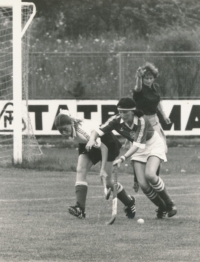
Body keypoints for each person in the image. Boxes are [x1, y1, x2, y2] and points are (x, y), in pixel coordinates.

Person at [86, 97, 177, 219]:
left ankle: (170, 204)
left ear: (133, 111)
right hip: (137, 149)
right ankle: (162, 207)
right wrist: (92, 140)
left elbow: (137, 145)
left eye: (125, 112)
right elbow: (97, 130)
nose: (122, 115)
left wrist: (122, 158)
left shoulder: (142, 120)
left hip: (153, 145)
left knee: (150, 174)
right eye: (120, 111)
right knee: (143, 185)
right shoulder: (116, 120)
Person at [54, 110, 136, 219]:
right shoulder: (70, 123)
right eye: (61, 131)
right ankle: (80, 209)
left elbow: (104, 148)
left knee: (107, 182)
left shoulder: (83, 132)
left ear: (71, 124)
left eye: (65, 129)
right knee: (80, 169)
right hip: (88, 144)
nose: (64, 133)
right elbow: (64, 113)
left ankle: (129, 202)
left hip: (107, 144)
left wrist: (102, 170)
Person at [131, 62, 171, 191]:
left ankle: (155, 178)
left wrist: (164, 116)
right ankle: (136, 180)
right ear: (142, 78)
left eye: (150, 77)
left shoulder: (155, 87)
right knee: (138, 150)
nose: (148, 80)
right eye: (146, 78)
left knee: (159, 150)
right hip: (142, 122)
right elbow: (137, 88)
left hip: (154, 121)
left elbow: (158, 102)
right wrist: (138, 78)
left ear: (154, 77)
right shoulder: (140, 89)